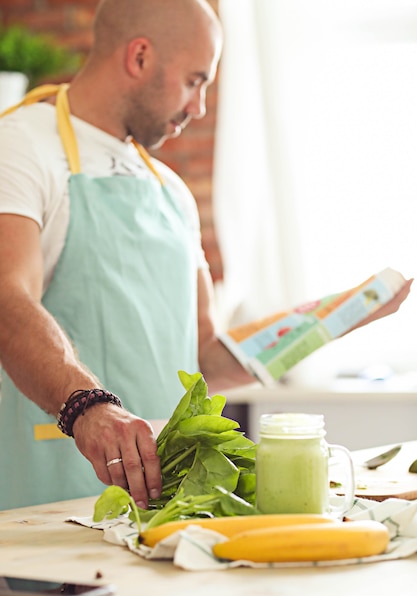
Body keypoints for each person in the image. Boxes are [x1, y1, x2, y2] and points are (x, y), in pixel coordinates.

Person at [0, 0, 411, 512]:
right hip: (48, 506)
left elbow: (203, 356)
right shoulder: (20, 147)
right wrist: (89, 407)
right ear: (140, 56)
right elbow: (7, 299)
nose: (198, 107)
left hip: (159, 516)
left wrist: (340, 314)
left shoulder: (170, 192)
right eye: (195, 80)